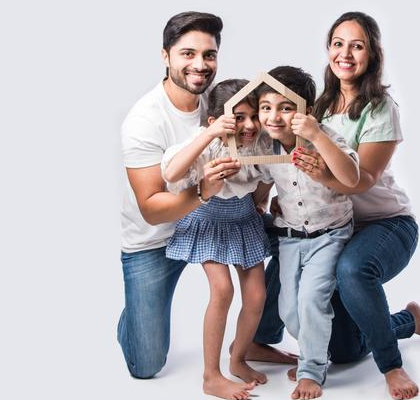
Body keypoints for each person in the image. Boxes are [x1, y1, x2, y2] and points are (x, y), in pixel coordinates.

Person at [290, 12, 420, 399]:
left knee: (353, 271)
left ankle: (392, 365)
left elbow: (363, 179)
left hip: (386, 224)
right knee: (345, 350)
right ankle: (409, 320)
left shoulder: (380, 107)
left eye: (357, 46)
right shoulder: (317, 106)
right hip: (337, 227)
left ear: (372, 54)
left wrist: (322, 172)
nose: (345, 54)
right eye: (338, 44)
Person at [117, 11, 292, 383]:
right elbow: (152, 207)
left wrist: (267, 199)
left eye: (208, 55)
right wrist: (203, 190)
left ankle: (251, 344)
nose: (200, 64)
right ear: (165, 56)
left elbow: (265, 162)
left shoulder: (224, 100)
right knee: (146, 364)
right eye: (187, 53)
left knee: (295, 241)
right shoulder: (143, 120)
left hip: (236, 217)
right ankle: (139, 316)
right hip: (160, 234)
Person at [160, 79, 274, 400]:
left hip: (243, 220)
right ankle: (211, 376)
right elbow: (171, 173)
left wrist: (262, 201)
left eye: (254, 116)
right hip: (208, 220)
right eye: (239, 117)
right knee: (222, 290)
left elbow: (267, 176)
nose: (249, 125)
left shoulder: (260, 143)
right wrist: (209, 133)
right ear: (215, 120)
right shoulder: (206, 142)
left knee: (256, 295)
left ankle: (238, 358)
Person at [254, 66, 360, 399]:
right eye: (266, 107)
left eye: (285, 108)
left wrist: (316, 136)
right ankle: (317, 352)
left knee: (312, 299)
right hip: (290, 238)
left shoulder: (325, 137)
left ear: (307, 111)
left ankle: (311, 370)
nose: (274, 117)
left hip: (330, 235)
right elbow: (264, 186)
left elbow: (351, 177)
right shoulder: (266, 147)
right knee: (289, 309)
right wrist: (262, 204)